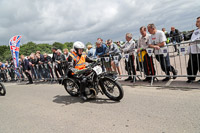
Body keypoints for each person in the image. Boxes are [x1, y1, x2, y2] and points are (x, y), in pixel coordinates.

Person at [186, 16, 200, 83]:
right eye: (196, 21)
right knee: (191, 65)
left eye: (198, 21)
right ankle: (191, 78)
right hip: (193, 50)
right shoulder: (195, 31)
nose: (196, 23)